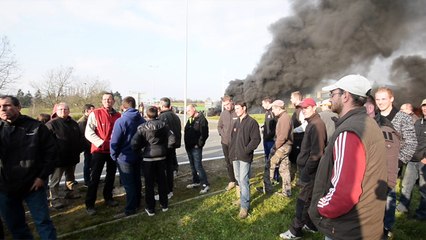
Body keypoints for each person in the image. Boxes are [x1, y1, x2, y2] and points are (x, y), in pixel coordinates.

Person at [309, 74, 388, 240]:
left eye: (333, 94)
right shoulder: (368, 123)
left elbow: (344, 193)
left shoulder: (349, 131)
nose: (330, 98)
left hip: (348, 228)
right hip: (367, 224)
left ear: (345, 95)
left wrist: (319, 208)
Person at [0, 95, 57, 239]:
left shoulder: (36, 127)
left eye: (7, 105)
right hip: (5, 188)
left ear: (18, 107)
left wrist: (42, 177)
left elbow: (51, 154)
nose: (3, 109)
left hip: (33, 185)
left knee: (43, 222)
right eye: (0, 107)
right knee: (16, 225)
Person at [279, 98, 326, 239]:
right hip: (308, 169)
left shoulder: (317, 125)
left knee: (302, 201)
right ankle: (311, 225)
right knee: (310, 199)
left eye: (306, 107)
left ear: (314, 107)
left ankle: (295, 231)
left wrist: (306, 171)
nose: (303, 110)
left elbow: (317, 153)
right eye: (302, 108)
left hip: (310, 171)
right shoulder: (311, 123)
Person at [375, 87, 417, 237]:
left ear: (392, 99)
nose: (380, 102)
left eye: (383, 99)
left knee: (389, 196)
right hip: (374, 165)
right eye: (377, 99)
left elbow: (411, 142)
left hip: (392, 165)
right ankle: (374, 225)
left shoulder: (402, 118)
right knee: (374, 196)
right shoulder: (374, 117)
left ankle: (387, 227)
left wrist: (398, 161)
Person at [365, 95, 401, 240]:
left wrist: (389, 182)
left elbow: (391, 157)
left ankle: (385, 229)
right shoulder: (361, 125)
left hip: (380, 181)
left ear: (370, 107)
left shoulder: (384, 127)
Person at [131, 106, 175, 216]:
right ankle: (164, 205)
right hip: (160, 156)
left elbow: (134, 142)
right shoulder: (164, 125)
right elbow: (172, 138)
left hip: (148, 157)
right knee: (162, 181)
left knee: (149, 184)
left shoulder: (142, 127)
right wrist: (166, 148)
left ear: (146, 115)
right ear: (157, 114)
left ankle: (150, 208)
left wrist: (139, 152)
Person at [85, 92, 121, 215]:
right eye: (105, 99)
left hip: (112, 151)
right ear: (102, 101)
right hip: (98, 151)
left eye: (110, 99)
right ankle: (90, 204)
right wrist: (101, 143)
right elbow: (89, 132)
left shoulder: (118, 116)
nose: (107, 101)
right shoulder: (95, 113)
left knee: (110, 176)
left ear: (113, 101)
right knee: (94, 177)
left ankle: (108, 198)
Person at [110, 96, 146, 216]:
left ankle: (130, 209)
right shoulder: (142, 120)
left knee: (128, 184)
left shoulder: (121, 121)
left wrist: (113, 155)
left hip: (124, 157)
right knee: (137, 181)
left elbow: (115, 140)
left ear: (123, 106)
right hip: (138, 155)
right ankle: (137, 203)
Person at [45, 102, 83, 209]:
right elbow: (46, 142)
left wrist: (79, 149)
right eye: (61, 109)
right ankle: (55, 200)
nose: (63, 111)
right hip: (58, 158)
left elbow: (79, 137)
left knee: (70, 177)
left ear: (69, 111)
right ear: (56, 111)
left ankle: (70, 192)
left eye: (65, 109)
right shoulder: (51, 124)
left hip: (72, 156)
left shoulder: (73, 123)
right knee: (55, 180)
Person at [228, 101, 261, 219]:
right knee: (238, 179)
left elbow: (256, 139)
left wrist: (246, 150)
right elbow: (233, 139)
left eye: (237, 108)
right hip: (235, 156)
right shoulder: (237, 122)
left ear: (244, 108)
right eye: (235, 108)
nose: (236, 111)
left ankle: (244, 207)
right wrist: (231, 153)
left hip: (244, 157)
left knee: (243, 180)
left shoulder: (252, 122)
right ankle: (241, 199)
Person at [396, 99, 426, 220]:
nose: (425, 108)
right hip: (412, 160)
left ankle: (421, 215)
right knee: (406, 186)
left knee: (424, 190)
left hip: (424, 163)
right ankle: (403, 208)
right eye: (423, 106)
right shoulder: (418, 122)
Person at [158, 97, 182, 199]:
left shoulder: (162, 117)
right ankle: (170, 190)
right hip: (173, 146)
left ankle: (166, 191)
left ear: (162, 105)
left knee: (164, 170)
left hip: (165, 147)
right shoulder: (176, 116)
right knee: (170, 169)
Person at [269, 100, 293, 197]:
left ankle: (267, 187)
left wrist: (274, 148)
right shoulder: (284, 117)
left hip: (283, 146)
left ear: (279, 108)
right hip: (286, 146)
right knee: (284, 169)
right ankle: (287, 192)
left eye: (273, 108)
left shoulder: (284, 119)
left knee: (270, 164)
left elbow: (282, 137)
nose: (272, 111)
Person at [184, 104, 210, 194]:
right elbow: (187, 131)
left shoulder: (202, 119)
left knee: (198, 166)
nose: (187, 113)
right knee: (192, 166)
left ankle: (205, 184)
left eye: (189, 110)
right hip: (189, 147)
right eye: (186, 111)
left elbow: (204, 134)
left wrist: (199, 145)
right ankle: (196, 181)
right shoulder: (190, 119)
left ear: (194, 109)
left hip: (196, 147)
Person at [257, 97, 278, 194]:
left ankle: (274, 178)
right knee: (267, 159)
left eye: (263, 103)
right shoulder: (267, 112)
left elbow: (274, 128)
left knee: (271, 159)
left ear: (267, 103)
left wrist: (268, 135)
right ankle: (270, 177)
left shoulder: (272, 112)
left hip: (270, 140)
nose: (262, 105)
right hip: (266, 139)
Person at [217, 95, 238, 191]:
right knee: (228, 162)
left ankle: (239, 181)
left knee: (236, 161)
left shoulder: (237, 112)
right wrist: (222, 134)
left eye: (228, 104)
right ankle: (232, 180)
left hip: (236, 143)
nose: (227, 107)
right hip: (225, 142)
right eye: (225, 105)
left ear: (232, 102)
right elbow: (219, 126)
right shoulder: (223, 114)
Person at [78, 104, 95, 187]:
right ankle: (87, 180)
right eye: (92, 110)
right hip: (88, 146)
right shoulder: (83, 122)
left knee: (92, 163)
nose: (94, 112)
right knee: (88, 163)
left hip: (91, 145)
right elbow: (84, 136)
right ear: (86, 111)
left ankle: (92, 179)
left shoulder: (89, 119)